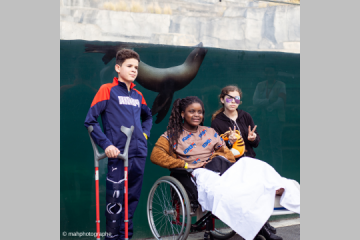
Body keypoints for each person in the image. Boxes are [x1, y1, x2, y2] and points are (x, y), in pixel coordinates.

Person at [150, 96, 299, 240]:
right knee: (233, 190)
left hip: (219, 166)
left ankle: (274, 186)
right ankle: (264, 230)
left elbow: (226, 153)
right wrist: (184, 164)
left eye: (200, 112)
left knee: (249, 163)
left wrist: (218, 157)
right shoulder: (171, 135)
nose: (197, 115)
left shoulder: (209, 132)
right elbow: (156, 156)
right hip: (197, 172)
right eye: (192, 111)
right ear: (182, 113)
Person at [84, 49, 153, 240]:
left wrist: (145, 135)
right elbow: (90, 121)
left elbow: (148, 116)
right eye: (129, 66)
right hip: (118, 156)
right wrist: (106, 145)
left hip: (139, 153)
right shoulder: (107, 90)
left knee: (131, 201)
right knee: (115, 203)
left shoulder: (138, 95)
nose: (133, 70)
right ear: (117, 67)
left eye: (136, 68)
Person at [211, 85, 260, 160]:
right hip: (230, 163)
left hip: (249, 160)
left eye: (237, 98)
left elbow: (256, 143)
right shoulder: (216, 122)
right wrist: (229, 142)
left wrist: (253, 139)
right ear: (222, 100)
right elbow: (216, 148)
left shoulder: (246, 116)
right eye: (229, 98)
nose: (233, 101)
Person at [253, 66, 286, 173]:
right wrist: (269, 101)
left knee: (275, 146)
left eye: (271, 73)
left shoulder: (281, 85)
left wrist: (270, 107)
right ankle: (266, 171)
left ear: (275, 73)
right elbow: (255, 101)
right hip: (262, 119)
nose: (269, 75)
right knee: (264, 145)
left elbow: (281, 102)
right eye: (267, 73)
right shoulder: (260, 85)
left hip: (276, 119)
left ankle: (278, 172)